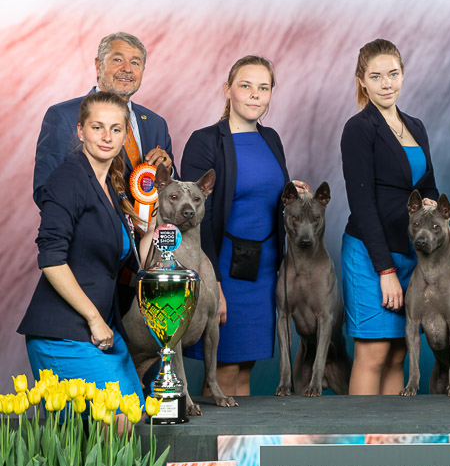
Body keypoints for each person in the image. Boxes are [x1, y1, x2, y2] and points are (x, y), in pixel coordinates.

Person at [18, 92, 153, 402]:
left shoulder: (112, 187)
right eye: (97, 127)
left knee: (133, 417)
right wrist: (94, 318)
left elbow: (136, 261)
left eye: (116, 129)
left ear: (125, 136)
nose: (106, 137)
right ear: (80, 131)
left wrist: (155, 224)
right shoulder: (68, 178)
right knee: (117, 421)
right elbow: (51, 259)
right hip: (65, 333)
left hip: (103, 330)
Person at [180, 56, 290, 397]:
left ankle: (241, 435)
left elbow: (266, 197)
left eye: (263, 88)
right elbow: (197, 220)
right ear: (228, 90)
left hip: (264, 273)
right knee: (222, 370)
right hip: (223, 271)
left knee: (245, 369)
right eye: (246, 86)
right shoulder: (205, 141)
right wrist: (213, 283)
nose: (255, 94)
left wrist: (294, 195)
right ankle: (213, 433)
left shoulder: (271, 139)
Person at [341, 39, 439, 395]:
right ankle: (359, 432)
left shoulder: (416, 125)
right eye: (376, 76)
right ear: (362, 81)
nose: (386, 84)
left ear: (403, 74)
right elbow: (362, 204)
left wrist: (430, 202)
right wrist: (385, 271)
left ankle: (391, 432)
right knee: (374, 353)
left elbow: (428, 184)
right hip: (371, 256)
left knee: (399, 353)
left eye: (393, 74)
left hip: (412, 253)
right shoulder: (359, 128)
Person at [33, 32, 175, 207]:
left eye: (135, 62)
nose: (127, 69)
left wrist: (167, 171)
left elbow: (176, 196)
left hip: (149, 224)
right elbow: (46, 191)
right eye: (117, 60)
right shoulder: (63, 116)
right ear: (98, 66)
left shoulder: (156, 124)